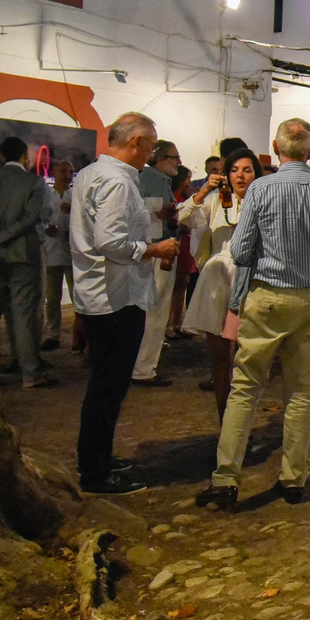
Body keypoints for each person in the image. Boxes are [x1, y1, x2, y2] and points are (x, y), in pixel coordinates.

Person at [197, 118, 310, 509]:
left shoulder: (262, 189)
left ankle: (227, 478)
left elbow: (243, 249)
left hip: (267, 297)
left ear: (275, 148)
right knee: (301, 391)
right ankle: (293, 479)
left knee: (246, 387)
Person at [73, 113, 182, 495]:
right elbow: (110, 242)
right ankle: (96, 472)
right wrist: (154, 248)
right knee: (108, 386)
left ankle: (96, 457)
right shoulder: (117, 182)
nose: (152, 153)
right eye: (151, 145)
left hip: (99, 293)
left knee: (105, 384)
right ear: (136, 142)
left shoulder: (92, 174)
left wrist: (151, 218)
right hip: (115, 297)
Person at [179, 148, 260, 420]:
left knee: (246, 355)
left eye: (247, 170)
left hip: (251, 276)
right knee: (219, 356)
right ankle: (224, 418)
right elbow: (183, 217)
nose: (240, 176)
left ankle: (242, 418)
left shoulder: (263, 200)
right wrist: (202, 191)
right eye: (235, 170)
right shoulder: (215, 200)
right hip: (218, 276)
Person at [0, 136, 50, 388]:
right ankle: (30, 374)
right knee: (23, 317)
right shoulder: (34, 182)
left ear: (2, 155)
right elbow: (29, 219)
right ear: (24, 156)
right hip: (22, 257)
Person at [131, 139, 182, 387]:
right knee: (156, 311)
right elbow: (153, 220)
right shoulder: (156, 180)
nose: (178, 162)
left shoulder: (143, 178)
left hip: (145, 252)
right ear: (160, 159)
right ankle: (144, 368)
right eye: (174, 157)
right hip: (157, 251)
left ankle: (139, 365)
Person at [40, 159, 74, 351]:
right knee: (52, 296)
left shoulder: (76, 194)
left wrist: (74, 211)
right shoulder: (46, 194)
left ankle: (80, 334)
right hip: (51, 248)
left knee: (77, 294)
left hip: (71, 250)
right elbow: (39, 217)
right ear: (54, 172)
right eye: (63, 171)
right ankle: (53, 334)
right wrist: (46, 229)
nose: (67, 176)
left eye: (70, 172)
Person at [167, 166, 196, 337]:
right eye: (188, 179)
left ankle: (177, 323)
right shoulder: (175, 198)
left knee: (183, 283)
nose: (189, 182)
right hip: (179, 242)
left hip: (186, 243)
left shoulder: (185, 197)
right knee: (175, 284)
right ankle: (169, 324)